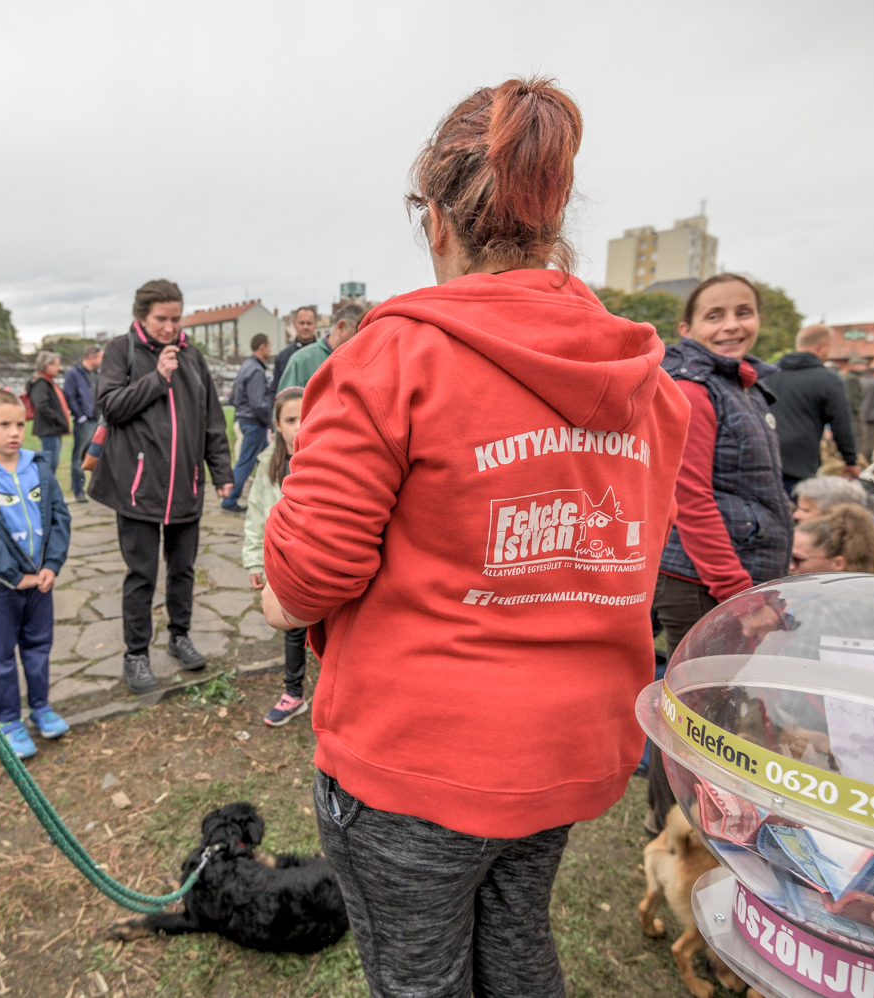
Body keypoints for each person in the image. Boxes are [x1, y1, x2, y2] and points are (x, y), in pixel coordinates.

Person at [259, 78, 689, 997]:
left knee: (419, 977)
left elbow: (310, 577)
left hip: (419, 755)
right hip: (570, 741)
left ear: (437, 220)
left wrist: (275, 595)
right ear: (554, 211)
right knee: (516, 939)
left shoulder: (392, 356)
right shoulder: (646, 381)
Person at [650, 272, 791, 834]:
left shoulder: (743, 385)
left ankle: (697, 822)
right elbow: (690, 497)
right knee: (694, 718)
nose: (732, 324)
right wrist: (739, 595)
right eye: (715, 315)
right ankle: (669, 832)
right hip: (703, 579)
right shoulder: (694, 388)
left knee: (717, 711)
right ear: (687, 328)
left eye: (743, 311)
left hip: (738, 569)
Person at [90, 280, 234, 694]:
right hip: (137, 490)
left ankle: (179, 636)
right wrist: (158, 377)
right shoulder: (122, 350)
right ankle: (136, 654)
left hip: (185, 489)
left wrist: (221, 474)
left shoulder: (193, 356)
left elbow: (212, 422)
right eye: (161, 320)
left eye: (175, 319)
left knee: (183, 570)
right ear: (141, 316)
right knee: (141, 575)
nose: (170, 328)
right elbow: (111, 406)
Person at [0, 390, 72, 759]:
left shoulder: (38, 466)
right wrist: (12, 575)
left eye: (20, 424)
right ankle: (8, 719)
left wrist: (52, 565)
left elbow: (59, 517)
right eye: (3, 424)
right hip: (0, 588)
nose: (14, 432)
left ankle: (41, 707)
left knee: (39, 648)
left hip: (42, 581)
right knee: (1, 655)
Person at [242, 387, 308, 726]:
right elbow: (256, 514)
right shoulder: (268, 464)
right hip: (287, 567)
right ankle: (293, 692)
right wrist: (255, 560)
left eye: (304, 416)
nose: (298, 425)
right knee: (293, 629)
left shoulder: (326, 455)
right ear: (277, 425)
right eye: (290, 419)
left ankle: (339, 693)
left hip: (320, 563)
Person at [765, 323, 860, 493]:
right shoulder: (828, 379)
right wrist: (850, 461)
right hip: (800, 463)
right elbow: (841, 424)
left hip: (763, 458)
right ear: (822, 345)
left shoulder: (767, 374)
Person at [223, 333, 273, 514]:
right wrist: (269, 420)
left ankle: (267, 494)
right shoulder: (256, 371)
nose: (270, 349)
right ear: (262, 347)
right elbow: (258, 402)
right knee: (246, 461)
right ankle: (229, 499)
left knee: (268, 459)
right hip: (254, 422)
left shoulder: (247, 366)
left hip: (246, 419)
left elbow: (235, 396)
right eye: (269, 346)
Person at [275, 302, 366, 390]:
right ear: (341, 327)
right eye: (358, 334)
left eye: (309, 323)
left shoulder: (361, 360)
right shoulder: (300, 360)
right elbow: (285, 403)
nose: (362, 342)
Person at [791, 503, 874, 576]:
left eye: (796, 559)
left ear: (838, 563)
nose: (790, 566)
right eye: (788, 557)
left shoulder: (831, 605)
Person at [64, 344, 102, 502]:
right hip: (85, 422)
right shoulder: (74, 373)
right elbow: (69, 395)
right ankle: (79, 490)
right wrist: (81, 416)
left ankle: (98, 491)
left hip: (99, 421)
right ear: (92, 357)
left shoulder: (98, 373)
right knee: (79, 457)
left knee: (99, 457)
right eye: (101, 357)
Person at [25, 350, 71, 471]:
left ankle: (48, 486)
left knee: (52, 461)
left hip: (53, 428)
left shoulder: (48, 382)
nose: (58, 368)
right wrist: (57, 418)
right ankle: (46, 487)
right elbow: (41, 405)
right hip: (48, 429)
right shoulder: (41, 384)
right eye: (56, 364)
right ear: (47, 365)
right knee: (50, 462)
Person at [271, 305, 317, 388]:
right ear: (295, 324)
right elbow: (275, 389)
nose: (305, 327)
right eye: (302, 323)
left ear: (315, 325)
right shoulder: (283, 357)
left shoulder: (326, 355)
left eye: (309, 323)